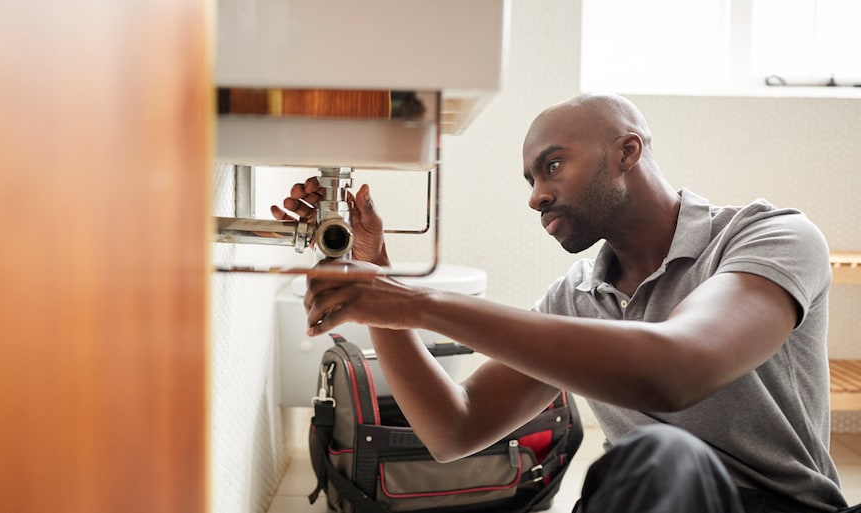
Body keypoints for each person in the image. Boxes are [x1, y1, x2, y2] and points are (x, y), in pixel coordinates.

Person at [272, 93, 851, 513]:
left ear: (627, 152)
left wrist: (415, 304)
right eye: (529, 179)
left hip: (782, 506)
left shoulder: (768, 235)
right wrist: (380, 291)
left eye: (551, 166)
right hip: (651, 499)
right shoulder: (576, 297)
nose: (536, 196)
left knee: (659, 453)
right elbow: (455, 429)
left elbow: (677, 369)